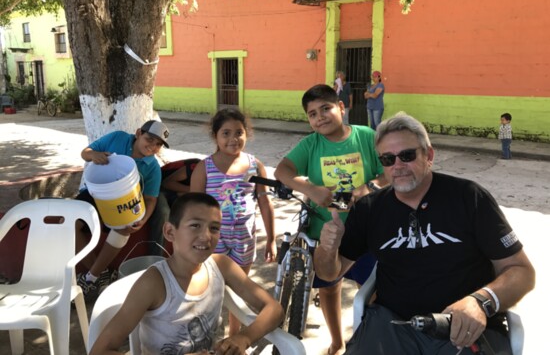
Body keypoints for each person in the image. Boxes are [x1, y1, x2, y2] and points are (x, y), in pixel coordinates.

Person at [314, 113, 536, 355]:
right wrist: (327, 248)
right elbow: (329, 272)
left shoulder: (468, 197)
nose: (397, 166)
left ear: (428, 155)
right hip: (393, 327)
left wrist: (481, 302)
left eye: (407, 155)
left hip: (463, 330)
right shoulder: (369, 208)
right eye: (388, 159)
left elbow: (522, 271)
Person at [89, 192, 284, 355]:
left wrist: (244, 337)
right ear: (169, 232)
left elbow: (274, 309)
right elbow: (100, 351)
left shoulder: (221, 266)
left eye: (214, 228)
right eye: (195, 225)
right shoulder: (153, 283)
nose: (206, 236)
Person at [274, 84, 386, 355]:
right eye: (312, 114)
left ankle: (368, 341)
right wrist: (310, 189)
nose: (320, 117)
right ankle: (337, 341)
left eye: (326, 108)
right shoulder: (311, 145)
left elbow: (390, 173)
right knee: (328, 287)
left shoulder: (366, 137)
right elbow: (282, 170)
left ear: (341, 108)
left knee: (370, 291)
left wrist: (367, 189)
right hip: (322, 233)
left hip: (367, 232)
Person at [190, 107, 276, 336]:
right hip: (212, 240)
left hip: (244, 238)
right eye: (226, 133)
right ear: (216, 137)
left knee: (238, 288)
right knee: (209, 286)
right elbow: (193, 209)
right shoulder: (204, 168)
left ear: (247, 134)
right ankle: (207, 332)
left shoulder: (254, 165)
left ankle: (234, 335)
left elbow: (265, 203)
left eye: (239, 132)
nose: (233, 139)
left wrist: (271, 240)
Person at [76, 120, 170, 300]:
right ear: (138, 133)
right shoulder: (117, 138)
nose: (153, 146)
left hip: (125, 201)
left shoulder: (153, 168)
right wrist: (94, 155)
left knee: (124, 228)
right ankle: (101, 272)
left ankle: (91, 277)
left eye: (158, 144)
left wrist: (143, 219)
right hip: (98, 193)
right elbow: (85, 153)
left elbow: (150, 198)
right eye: (150, 139)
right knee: (71, 222)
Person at [148, 158, 201, 255]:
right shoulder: (196, 167)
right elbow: (167, 183)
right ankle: (155, 258)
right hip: (158, 187)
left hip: (178, 193)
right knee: (164, 214)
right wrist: (193, 189)